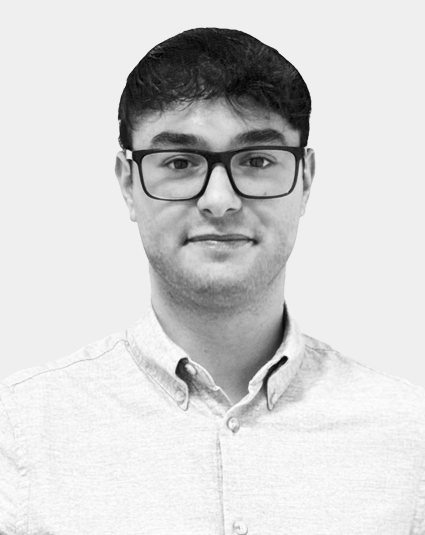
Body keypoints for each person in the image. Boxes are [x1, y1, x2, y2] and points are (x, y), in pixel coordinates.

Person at [1, 27, 424, 534]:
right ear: (129, 183)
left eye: (257, 161)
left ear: (306, 179)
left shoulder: (409, 436)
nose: (219, 200)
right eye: (180, 163)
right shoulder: (20, 433)